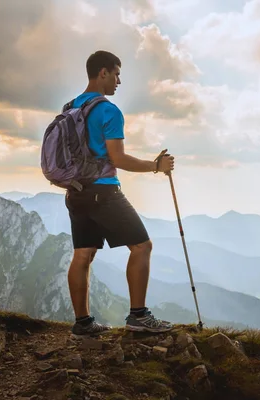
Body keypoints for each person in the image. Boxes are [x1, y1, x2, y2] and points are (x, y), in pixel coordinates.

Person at [65, 50, 175, 337]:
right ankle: (138, 315)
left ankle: (83, 324)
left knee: (83, 254)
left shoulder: (70, 108)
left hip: (75, 192)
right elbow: (118, 159)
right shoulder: (108, 110)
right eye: (116, 73)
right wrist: (156, 166)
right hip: (103, 192)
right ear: (103, 73)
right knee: (142, 246)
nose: (119, 81)